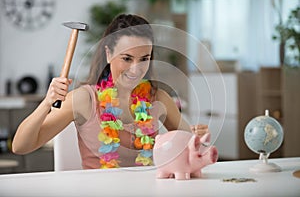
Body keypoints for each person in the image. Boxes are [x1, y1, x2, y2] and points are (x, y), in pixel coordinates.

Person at [12, 14, 208, 169]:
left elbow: (193, 149)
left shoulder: (158, 99)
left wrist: (198, 138)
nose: (136, 69)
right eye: (127, 58)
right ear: (108, 54)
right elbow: (20, 146)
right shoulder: (84, 99)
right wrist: (47, 102)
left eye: (144, 58)